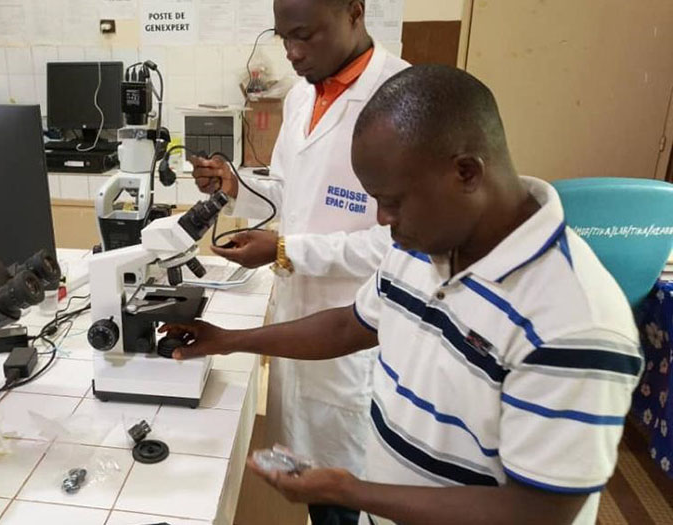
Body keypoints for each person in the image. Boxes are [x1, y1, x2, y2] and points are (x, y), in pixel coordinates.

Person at [166, 65, 642, 525]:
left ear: (467, 173)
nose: (380, 220)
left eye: (392, 202)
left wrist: (349, 491)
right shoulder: (424, 246)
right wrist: (227, 339)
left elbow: (538, 512)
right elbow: (350, 325)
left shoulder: (575, 321)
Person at [193, 1, 406, 522]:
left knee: (353, 490)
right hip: (298, 324)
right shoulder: (300, 97)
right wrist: (237, 185)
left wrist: (287, 249)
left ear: (354, 12)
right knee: (310, 486)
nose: (291, 52)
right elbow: (290, 191)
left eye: (304, 35)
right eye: (282, 36)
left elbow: (399, 243)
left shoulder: (402, 100)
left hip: (359, 334)